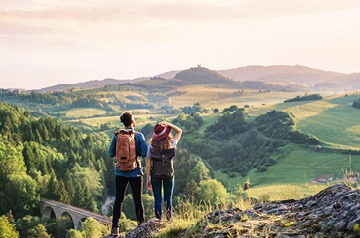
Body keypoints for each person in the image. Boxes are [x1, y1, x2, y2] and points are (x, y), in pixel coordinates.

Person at [108, 112, 147, 237]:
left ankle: (115, 228)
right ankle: (141, 225)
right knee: (138, 200)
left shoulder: (117, 136)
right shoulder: (139, 136)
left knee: (118, 200)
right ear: (132, 122)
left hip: (120, 172)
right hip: (135, 172)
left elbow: (110, 153)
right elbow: (145, 153)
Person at [146, 121, 182, 221]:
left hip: (155, 175)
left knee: (157, 199)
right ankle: (169, 220)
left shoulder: (151, 147)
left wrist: (148, 179)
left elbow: (148, 165)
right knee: (168, 198)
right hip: (169, 174)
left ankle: (158, 220)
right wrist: (168, 124)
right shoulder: (171, 144)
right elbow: (179, 131)